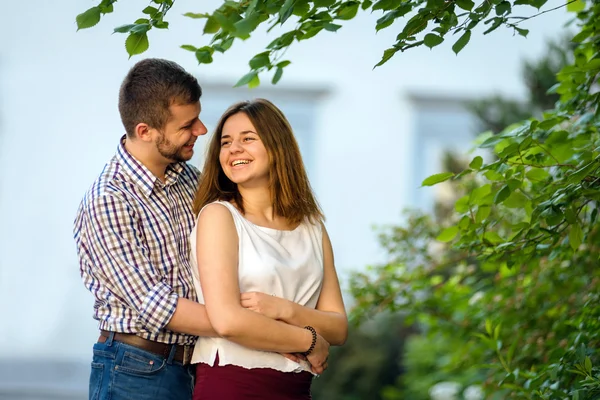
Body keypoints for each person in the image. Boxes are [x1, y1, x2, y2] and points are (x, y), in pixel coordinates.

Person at [73, 58, 216, 400]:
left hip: (195, 364)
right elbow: (157, 306)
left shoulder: (189, 180)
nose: (202, 130)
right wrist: (259, 331)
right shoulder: (109, 199)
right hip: (135, 373)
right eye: (188, 124)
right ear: (144, 131)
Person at [190, 98, 348, 399]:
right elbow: (228, 321)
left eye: (248, 139)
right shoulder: (219, 216)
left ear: (278, 147)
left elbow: (338, 328)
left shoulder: (312, 226)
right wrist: (310, 340)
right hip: (232, 383)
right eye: (226, 142)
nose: (234, 148)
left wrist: (283, 309)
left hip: (296, 388)